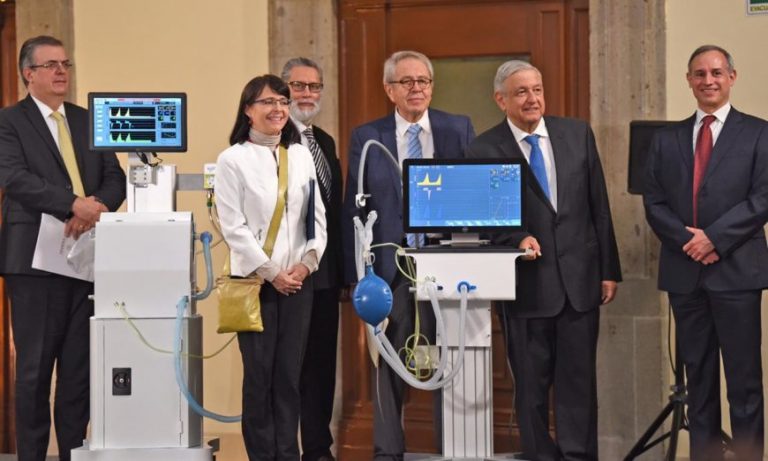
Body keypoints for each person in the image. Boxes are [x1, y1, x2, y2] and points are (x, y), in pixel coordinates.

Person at [466, 60, 621, 461]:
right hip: (526, 285)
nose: (532, 98)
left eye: (537, 89)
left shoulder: (576, 133)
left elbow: (598, 207)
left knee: (578, 386)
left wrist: (608, 271)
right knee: (531, 389)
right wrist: (516, 237)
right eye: (521, 92)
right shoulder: (483, 148)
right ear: (501, 100)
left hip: (580, 283)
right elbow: (485, 220)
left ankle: (578, 457)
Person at [341, 50, 475, 460]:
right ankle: (388, 452)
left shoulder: (457, 129)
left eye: (424, 81)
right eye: (407, 82)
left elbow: (472, 193)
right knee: (389, 368)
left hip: (446, 265)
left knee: (447, 363)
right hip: (389, 271)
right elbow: (354, 209)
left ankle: (451, 449)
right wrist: (355, 276)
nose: (417, 88)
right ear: (389, 89)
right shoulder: (368, 137)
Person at [0, 35, 126, 461]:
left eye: (66, 64)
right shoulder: (9, 121)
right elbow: (15, 178)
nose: (61, 72)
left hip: (86, 260)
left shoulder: (89, 120)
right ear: (28, 73)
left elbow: (115, 178)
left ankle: (73, 453)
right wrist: (72, 204)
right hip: (34, 263)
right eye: (50, 65)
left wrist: (95, 208)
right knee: (35, 371)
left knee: (78, 372)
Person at [643, 45, 768, 461]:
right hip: (685, 275)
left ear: (732, 76)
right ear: (689, 80)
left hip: (737, 275)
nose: (708, 80)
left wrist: (713, 237)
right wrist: (690, 242)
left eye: (716, 72)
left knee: (745, 384)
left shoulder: (759, 133)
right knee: (698, 383)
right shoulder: (666, 140)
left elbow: (763, 198)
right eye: (699, 73)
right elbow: (654, 202)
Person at [215, 74, 327, 461]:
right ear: (248, 110)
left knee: (289, 379)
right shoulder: (232, 160)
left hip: (298, 283)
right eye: (267, 102)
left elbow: (317, 216)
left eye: (283, 101)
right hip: (255, 285)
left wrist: (307, 264)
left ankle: (288, 454)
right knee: (259, 379)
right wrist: (272, 273)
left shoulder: (299, 154)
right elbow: (233, 228)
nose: (278, 109)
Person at [281, 57, 343, 461]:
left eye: (314, 87)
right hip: (285, 273)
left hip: (323, 272)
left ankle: (318, 449)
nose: (307, 94)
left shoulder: (324, 140)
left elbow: (332, 210)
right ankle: (284, 449)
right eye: (298, 86)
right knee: (288, 371)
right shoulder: (271, 138)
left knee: (321, 367)